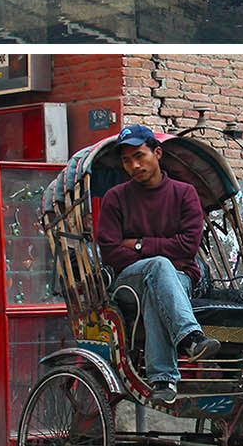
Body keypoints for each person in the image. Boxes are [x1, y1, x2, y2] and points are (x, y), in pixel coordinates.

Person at [94, 124, 221, 404]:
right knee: (159, 266)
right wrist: (157, 254)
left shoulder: (185, 193)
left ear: (158, 153)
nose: (134, 165)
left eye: (140, 156)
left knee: (159, 279)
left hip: (180, 278)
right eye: (127, 161)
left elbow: (189, 246)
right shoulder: (116, 198)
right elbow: (112, 252)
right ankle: (189, 338)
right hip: (129, 280)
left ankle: (163, 380)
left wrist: (138, 244)